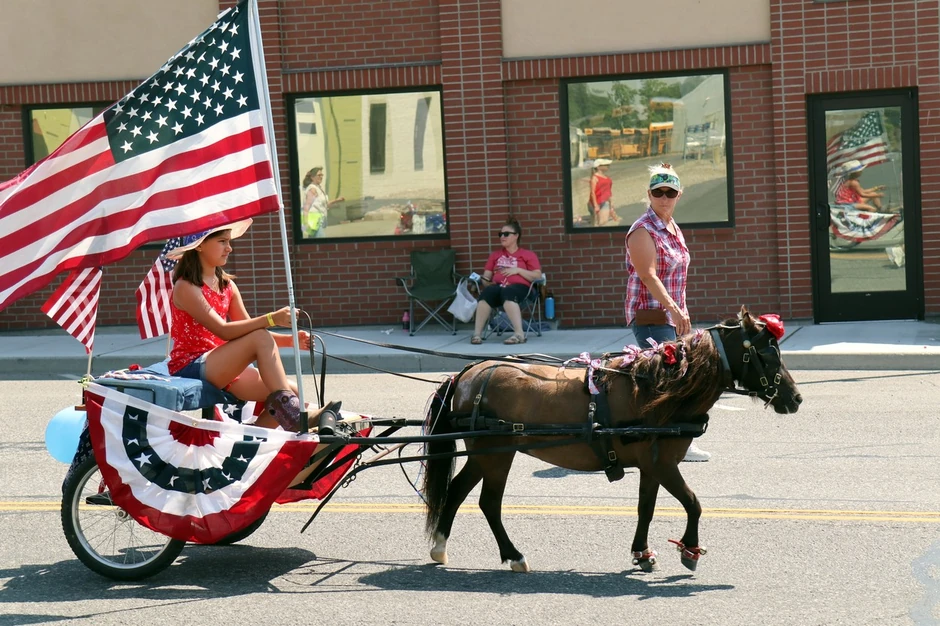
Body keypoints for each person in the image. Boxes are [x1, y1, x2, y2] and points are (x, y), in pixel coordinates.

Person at [168, 219, 332, 431]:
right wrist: (271, 318)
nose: (229, 248)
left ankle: (253, 438)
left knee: (293, 392)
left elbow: (247, 329)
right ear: (199, 246)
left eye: (229, 241)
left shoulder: (227, 285)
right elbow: (224, 331)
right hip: (191, 365)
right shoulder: (186, 287)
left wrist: (290, 341)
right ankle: (293, 417)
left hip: (222, 363)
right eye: (222, 241)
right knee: (260, 340)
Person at [624, 163, 709, 462]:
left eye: (670, 193)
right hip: (652, 316)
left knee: (676, 376)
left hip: (674, 315)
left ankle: (663, 440)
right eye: (658, 192)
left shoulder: (672, 227)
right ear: (649, 194)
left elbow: (677, 278)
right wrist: (674, 310)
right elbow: (648, 276)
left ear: (679, 195)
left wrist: (681, 312)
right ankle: (674, 444)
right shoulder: (642, 230)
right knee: (671, 378)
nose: (664, 198)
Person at [470, 218, 542, 346]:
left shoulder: (527, 255)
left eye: (506, 234)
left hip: (521, 289)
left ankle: (519, 334)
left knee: (509, 292)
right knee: (487, 293)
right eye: (501, 234)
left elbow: (537, 276)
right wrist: (486, 282)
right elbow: (486, 277)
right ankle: (477, 334)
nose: (502, 237)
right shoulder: (495, 255)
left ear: (516, 236)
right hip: (498, 287)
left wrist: (518, 270)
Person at [301, 167, 345, 238]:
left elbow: (325, 204)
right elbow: (307, 206)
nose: (321, 177)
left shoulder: (318, 188)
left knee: (314, 242)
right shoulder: (312, 189)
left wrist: (337, 200)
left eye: (322, 175)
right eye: (319, 175)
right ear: (312, 177)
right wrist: (305, 223)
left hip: (318, 221)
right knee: (321, 241)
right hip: (314, 221)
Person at [589, 158, 618, 226]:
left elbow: (608, 191)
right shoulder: (594, 178)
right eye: (605, 165)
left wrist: (611, 203)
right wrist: (595, 205)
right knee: (597, 223)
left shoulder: (606, 178)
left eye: (607, 165)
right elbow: (592, 192)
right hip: (596, 202)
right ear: (598, 167)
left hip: (605, 201)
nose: (608, 166)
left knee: (604, 221)